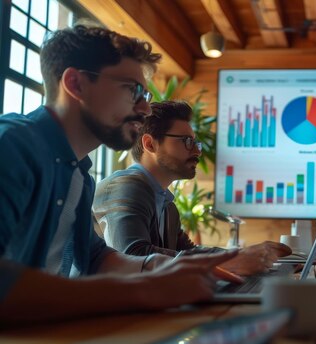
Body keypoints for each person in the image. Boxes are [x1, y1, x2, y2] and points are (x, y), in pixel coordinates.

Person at [0, 25, 239, 325]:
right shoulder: (11, 146)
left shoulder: (79, 174)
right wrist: (144, 291)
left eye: (146, 93)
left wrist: (161, 267)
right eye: (133, 90)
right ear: (76, 84)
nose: (145, 107)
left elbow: (98, 258)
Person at [93, 101, 291, 275]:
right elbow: (133, 257)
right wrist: (231, 261)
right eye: (187, 142)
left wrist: (243, 255)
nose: (197, 150)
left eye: (196, 143)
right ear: (150, 144)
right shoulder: (125, 187)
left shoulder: (166, 204)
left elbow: (189, 252)